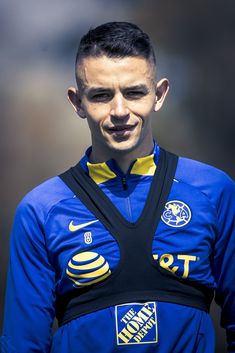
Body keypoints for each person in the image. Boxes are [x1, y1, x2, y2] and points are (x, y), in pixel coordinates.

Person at [0, 21, 234, 353]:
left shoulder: (213, 192)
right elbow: (22, 345)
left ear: (160, 94)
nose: (120, 111)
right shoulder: (40, 211)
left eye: (135, 92)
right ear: (77, 102)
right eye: (101, 95)